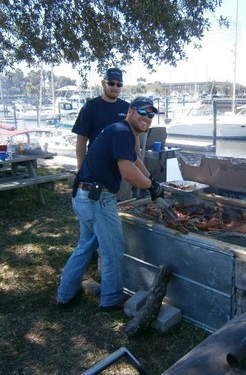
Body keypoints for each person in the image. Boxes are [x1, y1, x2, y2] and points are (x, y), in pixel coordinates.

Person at [57, 96, 164, 311]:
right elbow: (128, 172)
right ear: (130, 112)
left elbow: (135, 161)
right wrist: (150, 187)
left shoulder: (120, 131)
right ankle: (111, 298)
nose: (147, 117)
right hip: (98, 200)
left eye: (151, 114)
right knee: (113, 250)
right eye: (143, 112)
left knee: (86, 245)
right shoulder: (122, 132)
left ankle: (65, 293)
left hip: (83, 195)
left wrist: (152, 182)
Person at [71, 68, 130, 171]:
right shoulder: (90, 107)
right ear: (103, 83)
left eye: (119, 85)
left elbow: (134, 138)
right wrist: (80, 167)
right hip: (96, 166)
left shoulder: (127, 108)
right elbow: (81, 140)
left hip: (122, 168)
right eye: (111, 83)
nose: (115, 87)